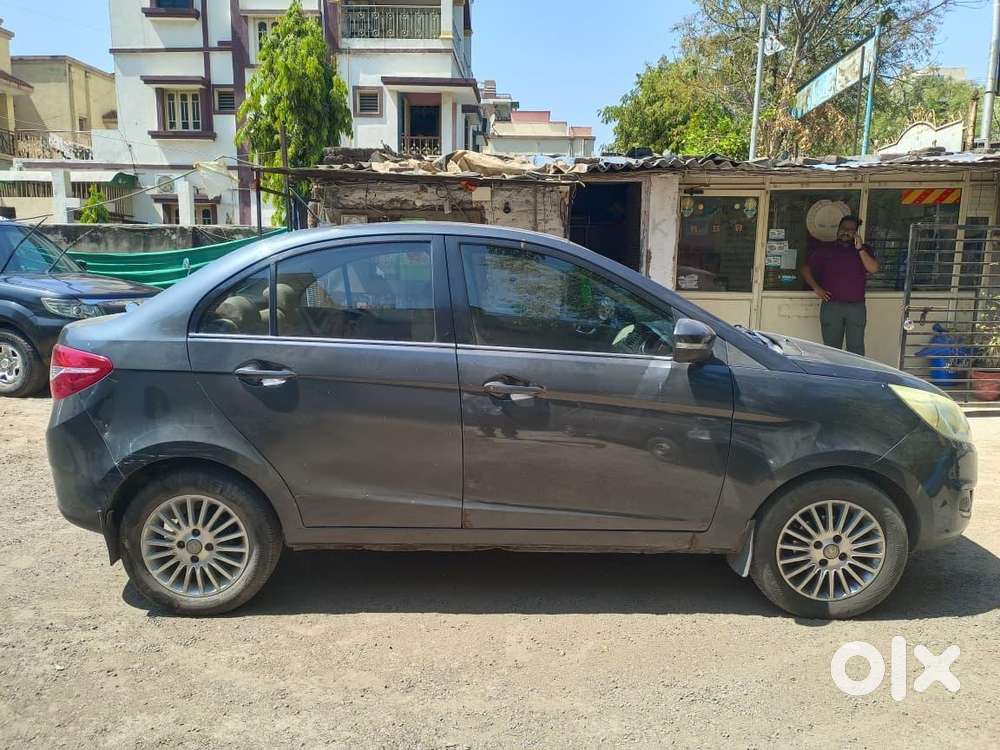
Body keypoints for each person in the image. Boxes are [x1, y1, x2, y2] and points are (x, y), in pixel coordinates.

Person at [800, 215, 880, 356]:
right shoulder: (826, 249)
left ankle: (854, 371)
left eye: (850, 229)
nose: (846, 232)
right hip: (832, 306)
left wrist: (860, 249)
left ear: (856, 232)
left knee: (856, 348)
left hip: (856, 306)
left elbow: (873, 269)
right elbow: (805, 269)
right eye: (843, 228)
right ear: (838, 229)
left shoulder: (865, 249)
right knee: (831, 349)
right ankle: (833, 371)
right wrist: (817, 288)